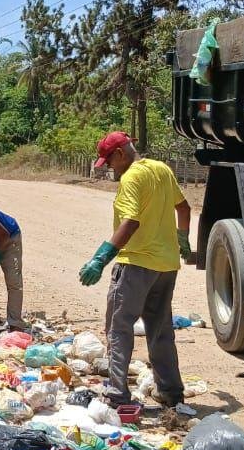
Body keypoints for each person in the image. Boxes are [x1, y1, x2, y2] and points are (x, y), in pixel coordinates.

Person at [78, 131, 193, 409]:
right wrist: (183, 238)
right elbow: (184, 207)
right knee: (160, 330)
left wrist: (101, 258)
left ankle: (117, 393)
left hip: (135, 266)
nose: (109, 168)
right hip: (166, 266)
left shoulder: (131, 177)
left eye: (109, 161)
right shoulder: (161, 169)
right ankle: (171, 392)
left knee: (119, 328)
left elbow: (131, 222)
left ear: (120, 154)